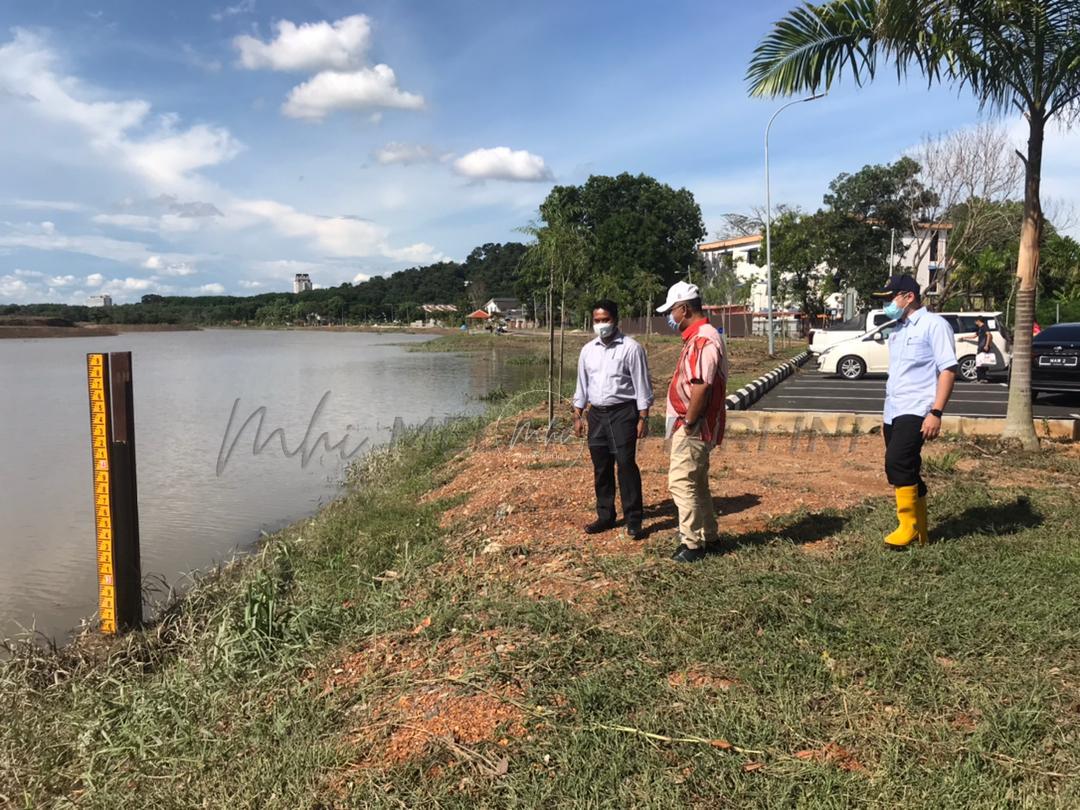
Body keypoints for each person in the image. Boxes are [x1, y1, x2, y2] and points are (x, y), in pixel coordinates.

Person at [871, 275, 957, 550]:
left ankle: (907, 526)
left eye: (890, 298)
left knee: (896, 462)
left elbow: (948, 370)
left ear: (908, 296)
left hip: (918, 408)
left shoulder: (934, 325)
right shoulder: (897, 328)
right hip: (893, 408)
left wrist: (936, 412)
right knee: (907, 466)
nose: (887, 304)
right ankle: (921, 532)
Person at [655, 282, 728, 563]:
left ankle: (692, 543)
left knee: (681, 482)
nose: (670, 317)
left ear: (683, 309)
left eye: (672, 311)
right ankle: (709, 535)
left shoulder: (703, 340)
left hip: (695, 425)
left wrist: (689, 422)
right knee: (697, 483)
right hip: (696, 424)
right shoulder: (699, 337)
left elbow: (701, 386)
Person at [572, 300, 653, 539]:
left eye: (605, 320)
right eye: (597, 321)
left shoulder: (631, 348)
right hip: (596, 414)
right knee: (601, 466)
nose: (601, 325)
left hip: (623, 413)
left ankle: (634, 519)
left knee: (626, 464)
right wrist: (578, 414)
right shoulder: (588, 350)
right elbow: (582, 385)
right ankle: (605, 515)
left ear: (615, 320)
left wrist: (643, 417)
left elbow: (641, 384)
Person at [973, 315, 994, 383]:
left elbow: (989, 335)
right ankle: (979, 378)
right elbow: (974, 336)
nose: (975, 322)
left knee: (982, 363)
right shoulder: (979, 328)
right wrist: (964, 338)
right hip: (980, 347)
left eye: (975, 321)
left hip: (983, 347)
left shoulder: (984, 327)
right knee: (979, 362)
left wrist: (987, 345)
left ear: (978, 321)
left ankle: (982, 378)